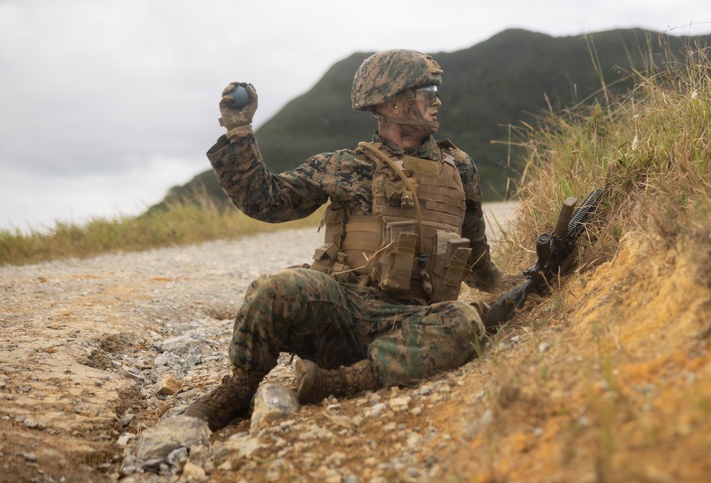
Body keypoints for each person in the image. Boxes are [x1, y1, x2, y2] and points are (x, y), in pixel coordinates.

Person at [184, 49, 508, 431]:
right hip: (341, 312)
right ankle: (239, 389)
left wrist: (514, 284)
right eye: (428, 91)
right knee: (271, 289)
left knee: (465, 323)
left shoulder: (460, 168)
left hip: (409, 322)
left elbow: (475, 254)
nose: (437, 100)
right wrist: (238, 132)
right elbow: (266, 201)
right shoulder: (345, 165)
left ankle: (337, 383)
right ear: (393, 102)